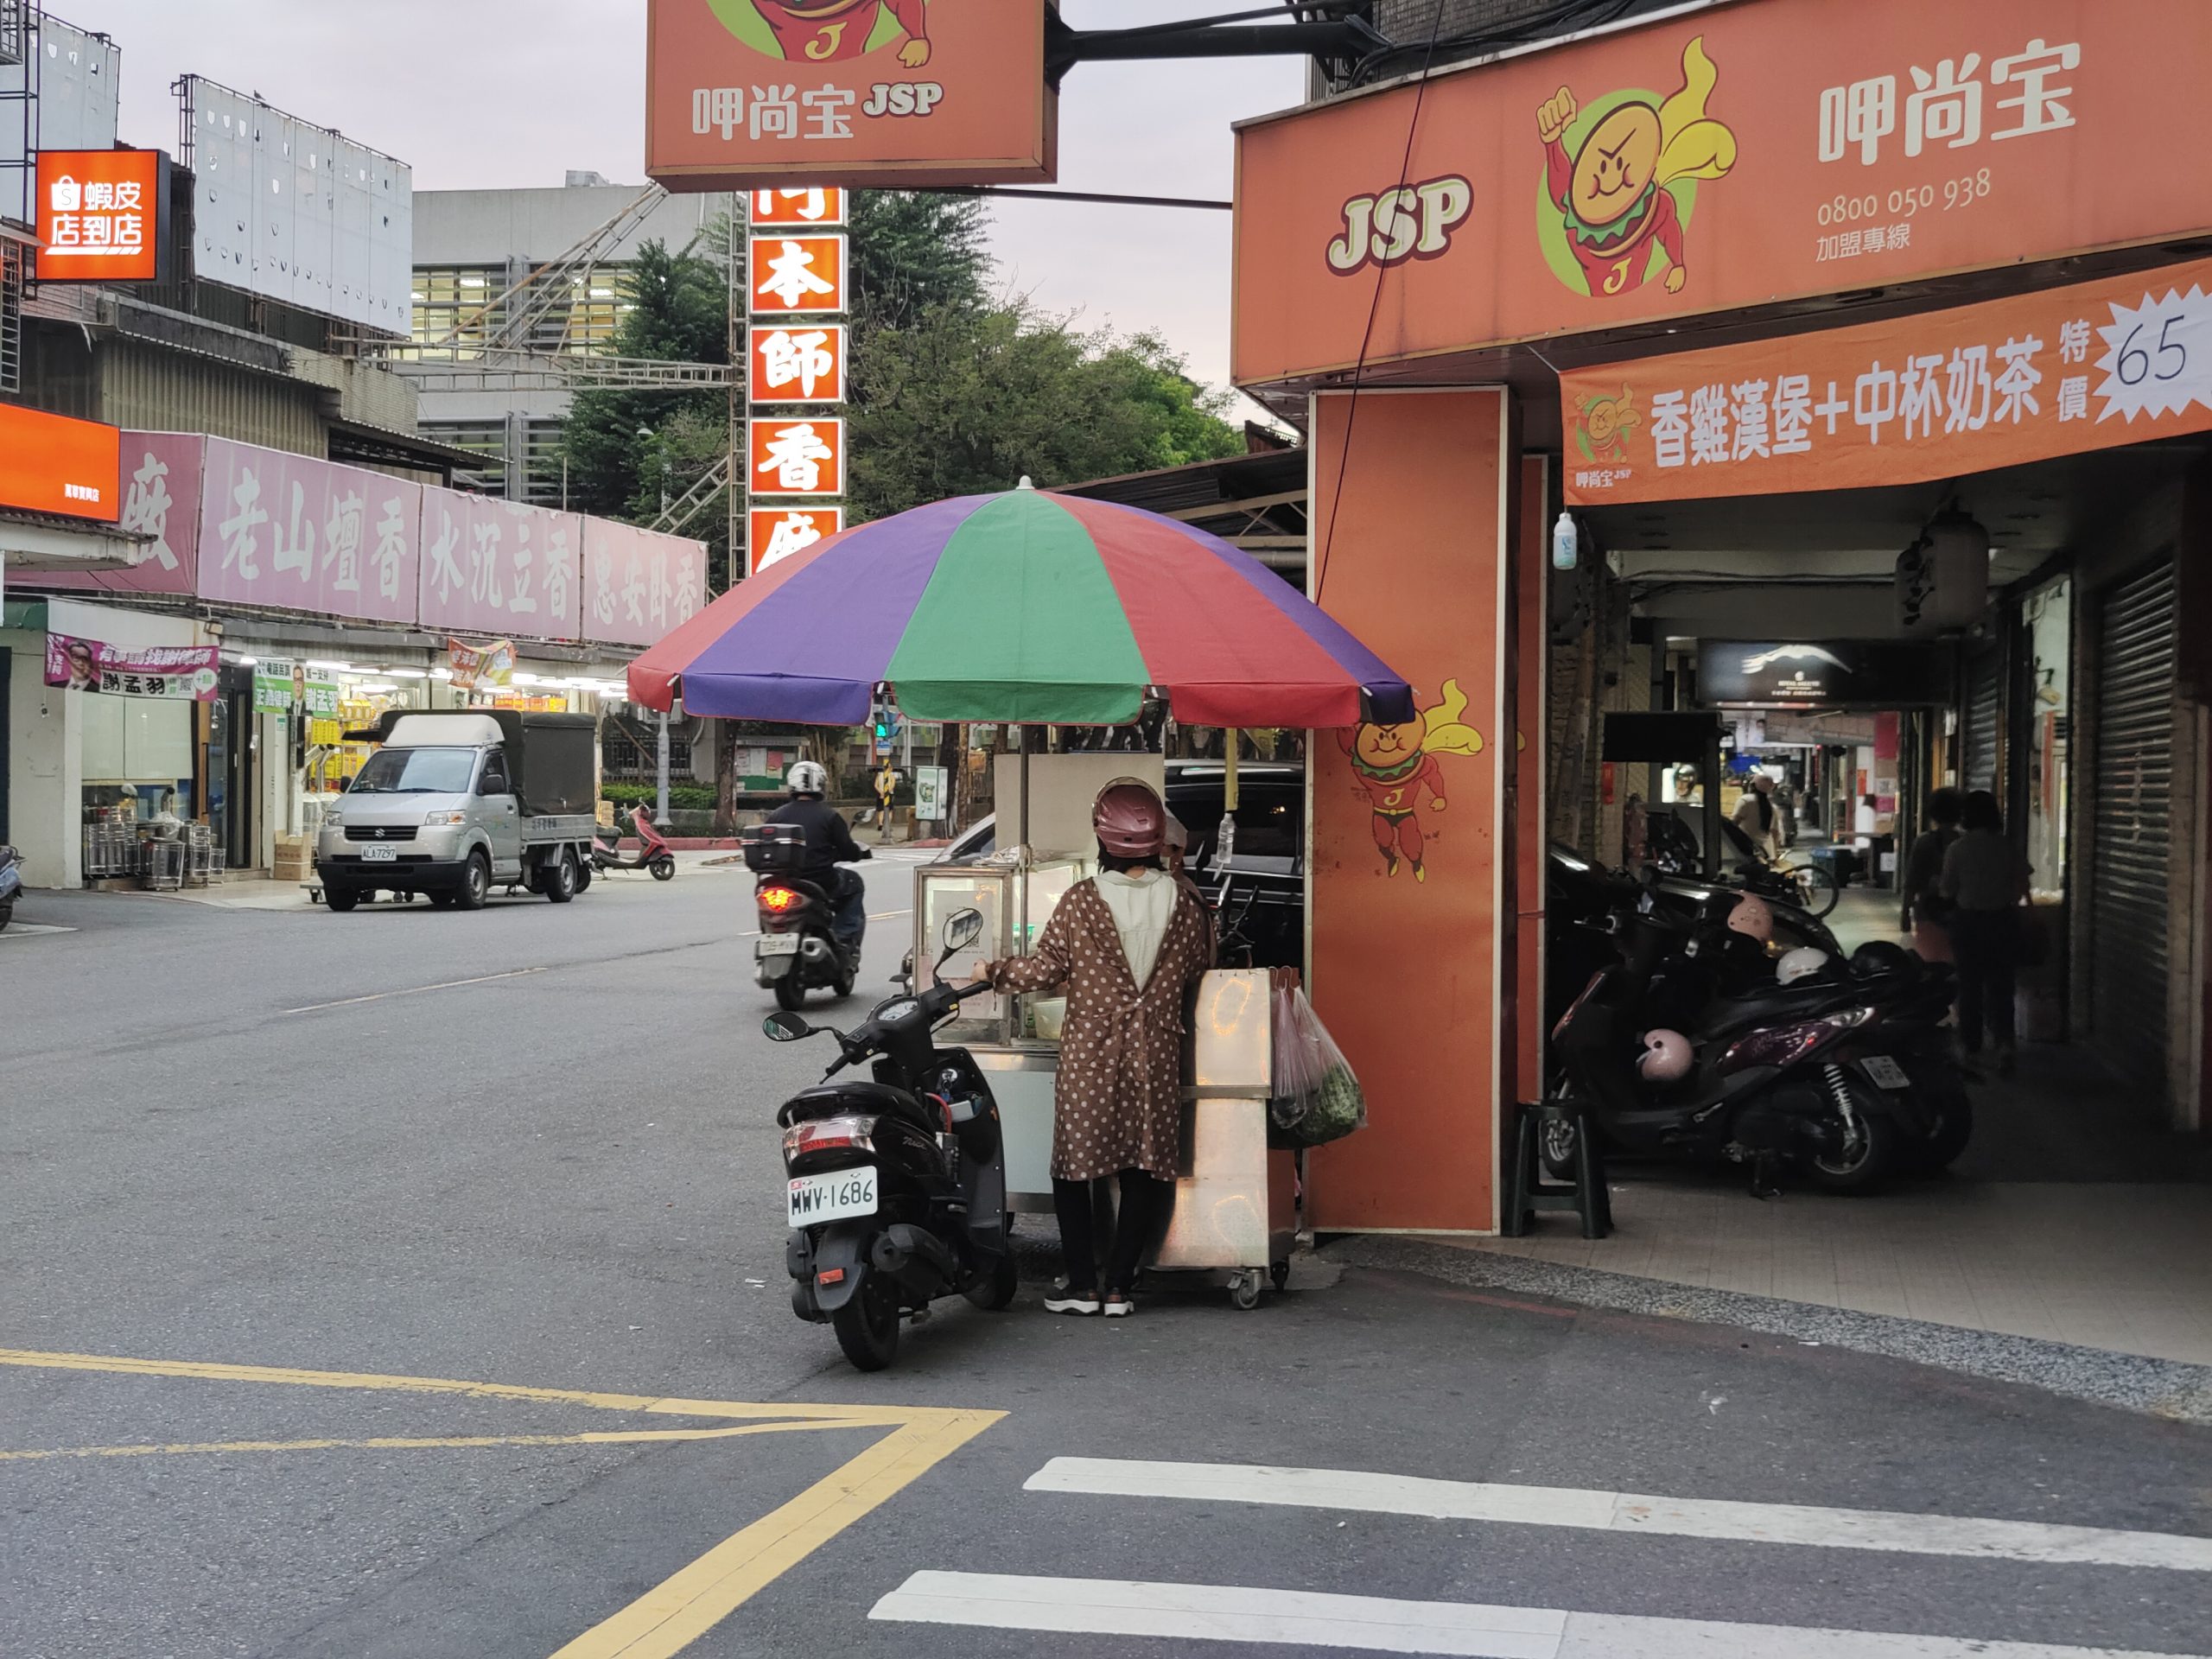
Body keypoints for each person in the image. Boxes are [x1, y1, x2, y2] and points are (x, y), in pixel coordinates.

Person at [975, 780, 1214, 1318]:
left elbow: (1044, 971)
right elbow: (1199, 968)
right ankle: (1120, 1287)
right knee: (1144, 1164)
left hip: (1090, 1051)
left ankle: (1082, 1284)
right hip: (1154, 1048)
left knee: (1074, 1166)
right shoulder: (1185, 900)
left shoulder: (1082, 900)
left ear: (1102, 836)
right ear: (1157, 840)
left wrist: (991, 971)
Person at [1939, 790, 2030, 1076]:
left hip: (1968, 923)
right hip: (2003, 921)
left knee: (1970, 987)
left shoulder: (1958, 848)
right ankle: (2005, 1046)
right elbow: (2021, 885)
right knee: (2002, 986)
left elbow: (1947, 890)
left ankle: (1971, 1047)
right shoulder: (2006, 846)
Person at [764, 761, 870, 956]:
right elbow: (848, 851)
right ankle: (845, 941)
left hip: (784, 882)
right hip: (822, 881)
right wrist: (856, 853)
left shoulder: (776, 816)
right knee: (855, 883)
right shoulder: (829, 816)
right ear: (821, 785)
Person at [1899, 787, 1965, 957]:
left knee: (1931, 961)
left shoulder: (1924, 842)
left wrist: (1905, 913)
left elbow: (1911, 881)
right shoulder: (1965, 842)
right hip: (1962, 912)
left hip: (1929, 911)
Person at [1732, 772, 1782, 861]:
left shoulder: (1745, 801)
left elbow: (1733, 825)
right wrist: (1775, 854)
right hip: (1767, 853)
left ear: (1752, 786)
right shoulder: (1772, 807)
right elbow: (1775, 833)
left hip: (1747, 851)